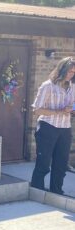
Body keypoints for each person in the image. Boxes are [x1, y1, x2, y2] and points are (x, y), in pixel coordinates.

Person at [31, 57, 75, 195]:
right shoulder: (47, 86)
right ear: (61, 70)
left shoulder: (73, 86)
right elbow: (37, 110)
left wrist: (72, 109)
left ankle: (56, 192)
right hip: (47, 127)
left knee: (61, 163)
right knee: (44, 162)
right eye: (69, 72)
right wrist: (59, 112)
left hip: (65, 128)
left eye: (73, 72)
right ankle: (36, 190)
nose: (71, 75)